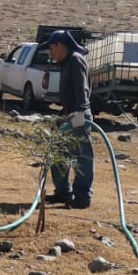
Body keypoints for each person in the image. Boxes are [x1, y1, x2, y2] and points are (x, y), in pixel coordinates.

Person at [42, 29, 94, 209]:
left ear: (60, 46)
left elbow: (82, 89)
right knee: (59, 153)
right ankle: (63, 192)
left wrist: (81, 111)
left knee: (82, 156)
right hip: (68, 114)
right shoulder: (67, 62)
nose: (51, 52)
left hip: (78, 114)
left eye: (52, 48)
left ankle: (82, 196)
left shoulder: (75, 60)